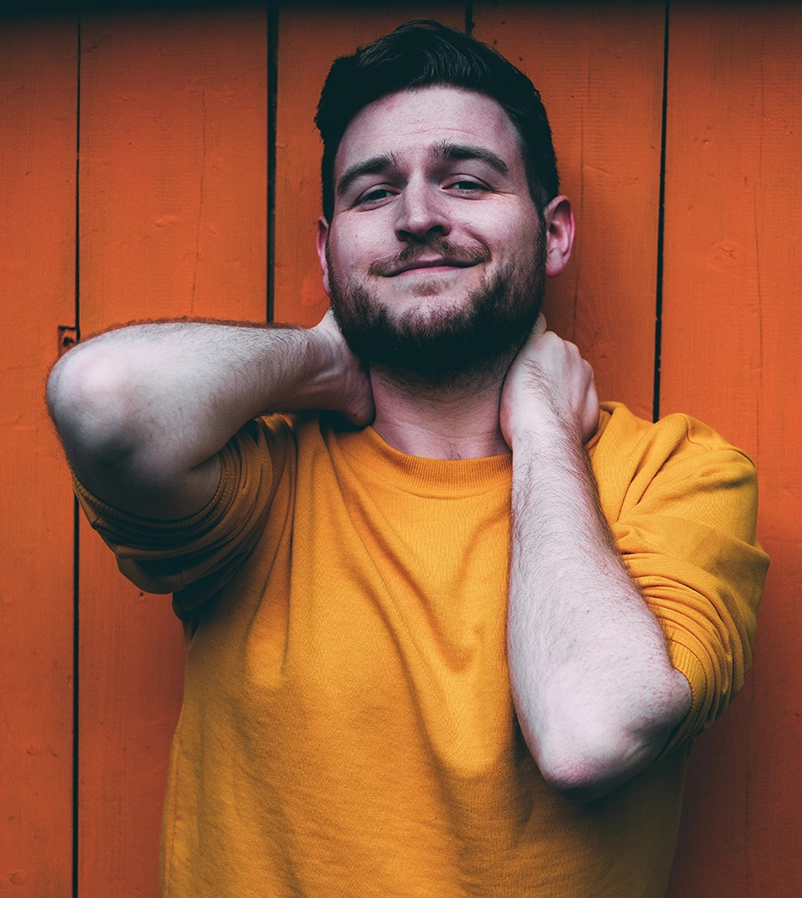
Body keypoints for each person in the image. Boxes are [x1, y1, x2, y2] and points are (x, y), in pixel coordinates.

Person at [47, 20, 768, 898]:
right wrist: (319, 362)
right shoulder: (265, 482)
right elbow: (99, 397)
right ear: (327, 251)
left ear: (555, 233)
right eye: (373, 194)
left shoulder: (678, 474)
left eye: (466, 181)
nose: (420, 217)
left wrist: (540, 424)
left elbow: (591, 732)